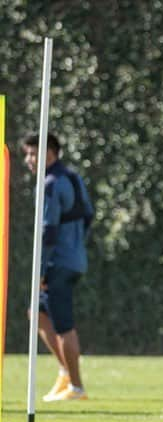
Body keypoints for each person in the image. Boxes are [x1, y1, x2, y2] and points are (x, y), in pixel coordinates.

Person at [22, 132, 94, 401]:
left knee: (63, 324)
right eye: (27, 154)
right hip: (75, 259)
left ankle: (76, 387)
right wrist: (76, 243)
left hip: (58, 263)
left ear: (50, 152)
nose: (29, 160)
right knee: (36, 313)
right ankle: (65, 372)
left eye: (33, 153)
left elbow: (48, 232)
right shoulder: (73, 178)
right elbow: (88, 215)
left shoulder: (50, 184)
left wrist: (39, 270)